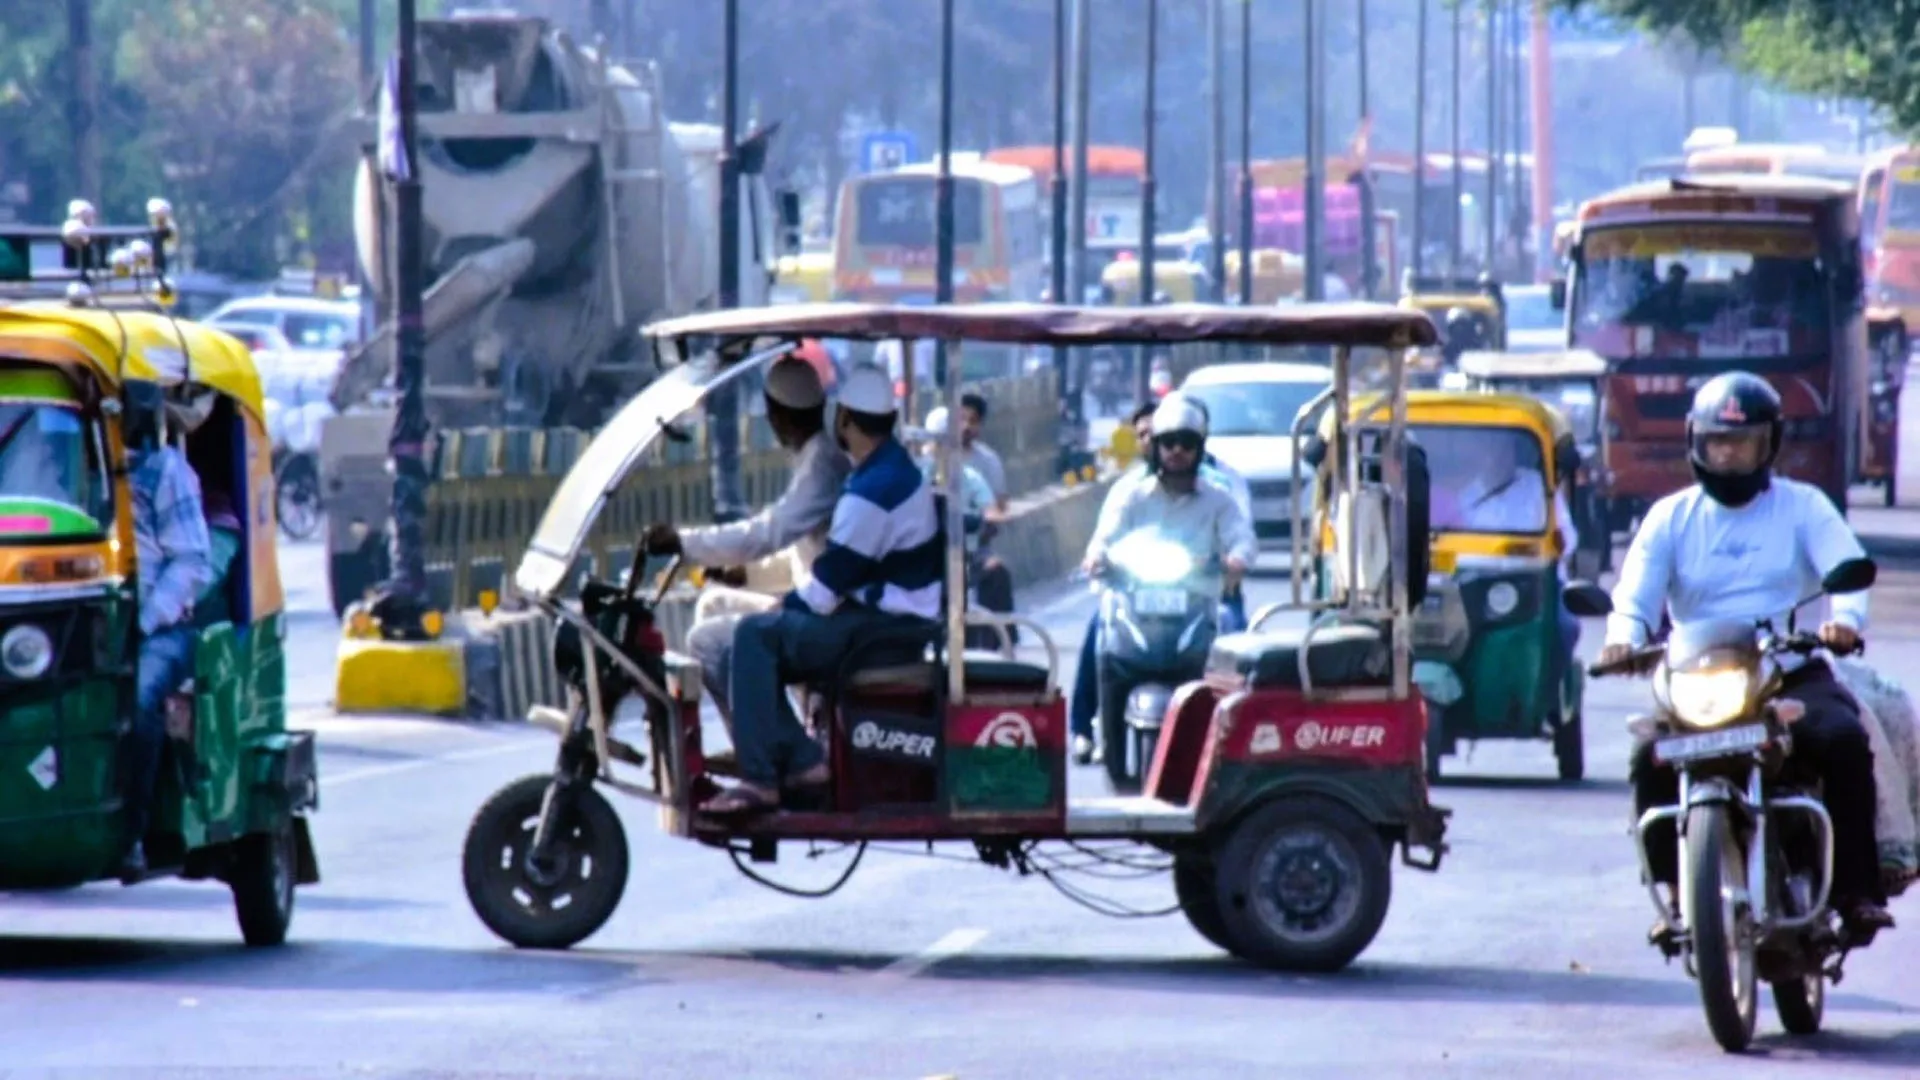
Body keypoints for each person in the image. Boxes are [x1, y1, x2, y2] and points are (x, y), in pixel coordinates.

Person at [1599, 372, 1893, 940]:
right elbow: (1634, 596)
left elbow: (1846, 571)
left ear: (1770, 445)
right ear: (1695, 443)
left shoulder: (1804, 507)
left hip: (1785, 671)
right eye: (1718, 443)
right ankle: (1677, 893)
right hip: (1696, 674)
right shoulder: (1669, 518)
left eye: (1743, 443)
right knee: (1647, 759)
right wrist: (1623, 636)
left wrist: (1843, 622)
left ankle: (1858, 889)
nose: (1729, 455)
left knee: (1842, 740)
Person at [699, 366, 942, 816]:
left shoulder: (872, 490)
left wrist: (781, 606)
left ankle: (765, 779)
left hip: (882, 632)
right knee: (755, 633)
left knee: (754, 635)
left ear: (845, 420)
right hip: (887, 622)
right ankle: (797, 757)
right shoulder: (888, 470)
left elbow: (824, 591)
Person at [641, 350, 848, 726]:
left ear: (776, 415)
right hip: (811, 597)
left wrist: (684, 543)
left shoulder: (821, 466)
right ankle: (756, 734)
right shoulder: (812, 458)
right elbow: (802, 550)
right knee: (714, 602)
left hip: (820, 613)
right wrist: (745, 575)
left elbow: (766, 534)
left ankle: (767, 746)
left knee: (706, 638)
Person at [1066, 399, 1250, 763]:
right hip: (1137, 595)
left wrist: (1237, 559)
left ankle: (1237, 738)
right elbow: (1106, 534)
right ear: (1154, 447)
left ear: (1200, 445)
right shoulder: (1131, 492)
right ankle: (1083, 729)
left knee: (1238, 639)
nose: (1177, 451)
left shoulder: (1221, 491)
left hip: (1202, 597)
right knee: (1100, 633)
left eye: (1186, 442)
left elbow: (1242, 535)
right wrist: (1096, 556)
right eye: (1169, 443)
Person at [120, 379, 215, 880]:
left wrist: (142, 620)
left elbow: (192, 562)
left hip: (158, 628)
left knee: (137, 704)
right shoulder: (48, 464)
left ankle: (131, 835)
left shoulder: (162, 471)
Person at [916, 406, 1011, 649]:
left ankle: (993, 649)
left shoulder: (970, 477)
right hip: (922, 555)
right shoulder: (917, 475)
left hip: (966, 553)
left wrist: (980, 523)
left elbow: (993, 513)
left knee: (996, 572)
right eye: (938, 443)